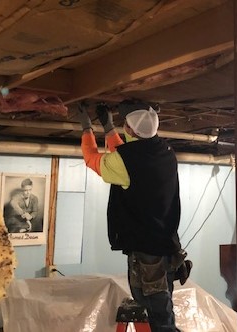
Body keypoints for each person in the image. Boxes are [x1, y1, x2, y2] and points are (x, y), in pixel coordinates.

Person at [78, 100, 192, 332]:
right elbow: (127, 155)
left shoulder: (127, 161)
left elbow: (92, 159)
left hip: (147, 254)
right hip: (167, 247)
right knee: (162, 310)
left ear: (129, 129)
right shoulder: (165, 151)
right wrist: (108, 128)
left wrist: (86, 128)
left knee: (158, 319)